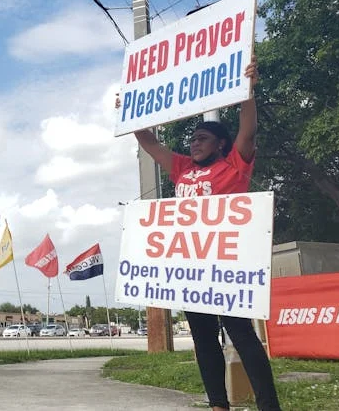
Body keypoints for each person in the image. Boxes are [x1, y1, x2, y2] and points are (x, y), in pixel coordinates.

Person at [118, 57, 281, 411]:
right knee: (203, 340)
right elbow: (148, 142)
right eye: (192, 139)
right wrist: (131, 113)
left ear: (221, 145)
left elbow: (247, 130)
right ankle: (218, 405)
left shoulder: (234, 165)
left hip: (226, 266)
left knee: (242, 337)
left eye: (202, 139)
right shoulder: (182, 168)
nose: (194, 144)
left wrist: (248, 91)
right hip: (193, 269)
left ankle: (269, 406)